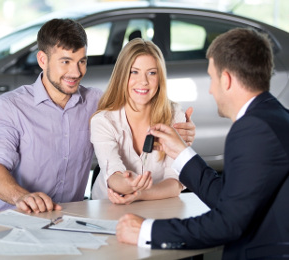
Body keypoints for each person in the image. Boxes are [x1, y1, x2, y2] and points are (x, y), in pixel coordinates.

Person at [0, 18, 196, 215]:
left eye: (82, 61)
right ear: (42, 60)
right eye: (65, 61)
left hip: (67, 220)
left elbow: (138, 108)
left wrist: (185, 134)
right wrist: (20, 196)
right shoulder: (10, 107)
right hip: (8, 216)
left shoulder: (98, 104)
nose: (76, 72)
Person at [116, 28, 289, 259]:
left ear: (226, 79)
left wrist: (146, 231)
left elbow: (227, 222)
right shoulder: (274, 115)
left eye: (212, 77)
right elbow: (228, 197)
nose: (210, 89)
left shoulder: (253, 129)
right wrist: (181, 152)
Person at [90, 38, 188, 203]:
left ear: (160, 77)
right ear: (122, 75)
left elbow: (176, 182)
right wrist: (127, 184)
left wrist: (140, 194)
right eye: (134, 72)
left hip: (157, 207)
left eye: (151, 73)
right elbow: (113, 174)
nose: (143, 81)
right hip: (109, 206)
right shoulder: (103, 121)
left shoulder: (174, 116)